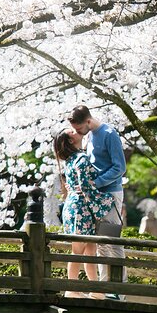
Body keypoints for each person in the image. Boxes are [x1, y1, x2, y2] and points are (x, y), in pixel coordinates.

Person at [68, 105, 127, 300]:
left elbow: (120, 167)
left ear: (88, 121)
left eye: (78, 129)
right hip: (96, 198)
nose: (77, 133)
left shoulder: (109, 134)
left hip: (110, 194)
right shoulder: (90, 135)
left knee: (111, 240)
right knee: (100, 243)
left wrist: (96, 182)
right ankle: (104, 287)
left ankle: (119, 289)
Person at [53, 127, 117, 300]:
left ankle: (95, 289)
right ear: (71, 141)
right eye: (70, 131)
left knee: (89, 249)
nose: (75, 130)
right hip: (80, 208)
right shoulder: (81, 159)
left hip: (74, 206)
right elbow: (87, 187)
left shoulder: (71, 160)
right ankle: (71, 289)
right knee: (79, 250)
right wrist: (107, 200)